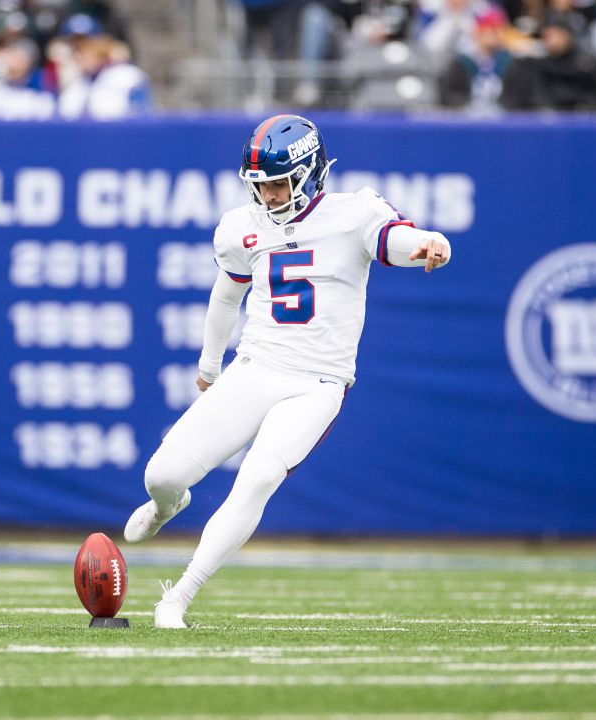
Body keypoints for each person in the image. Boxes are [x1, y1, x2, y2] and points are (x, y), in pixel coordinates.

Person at [123, 115, 453, 629]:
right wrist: (210, 365)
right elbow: (226, 294)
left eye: (278, 183)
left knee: (257, 478)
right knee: (161, 475)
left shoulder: (355, 212)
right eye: (259, 186)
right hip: (257, 365)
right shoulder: (241, 226)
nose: (269, 196)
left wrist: (432, 242)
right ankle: (169, 506)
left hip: (318, 382)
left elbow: (398, 240)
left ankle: (179, 596)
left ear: (311, 171)